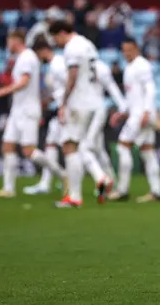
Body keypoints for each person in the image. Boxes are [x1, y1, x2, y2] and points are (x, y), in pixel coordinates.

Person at [0, 31, 67, 199]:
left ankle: (61, 173)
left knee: (28, 151)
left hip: (27, 110)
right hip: (18, 109)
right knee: (7, 145)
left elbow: (24, 82)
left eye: (8, 41)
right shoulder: (21, 58)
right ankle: (8, 188)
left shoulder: (27, 57)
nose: (7, 45)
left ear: (15, 41)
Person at [48, 21, 112, 208]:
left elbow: (73, 75)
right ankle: (100, 177)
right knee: (82, 146)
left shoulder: (72, 48)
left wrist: (65, 101)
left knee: (69, 146)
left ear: (61, 33)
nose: (56, 42)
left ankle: (74, 197)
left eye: (55, 38)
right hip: (93, 101)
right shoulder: (87, 44)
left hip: (79, 103)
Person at [107, 37, 160, 204]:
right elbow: (133, 96)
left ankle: (122, 190)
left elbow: (150, 89)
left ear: (136, 48)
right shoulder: (130, 67)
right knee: (148, 152)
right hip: (139, 113)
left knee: (123, 147)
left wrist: (146, 111)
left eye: (129, 50)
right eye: (124, 50)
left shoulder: (142, 65)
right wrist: (122, 112)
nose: (126, 53)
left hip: (140, 115)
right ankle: (156, 191)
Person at [23, 37, 68, 195]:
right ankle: (46, 182)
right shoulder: (54, 65)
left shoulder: (57, 65)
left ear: (42, 51)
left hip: (66, 109)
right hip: (61, 108)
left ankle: (98, 178)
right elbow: (60, 89)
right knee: (51, 143)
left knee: (78, 147)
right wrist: (49, 100)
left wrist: (63, 106)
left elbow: (69, 85)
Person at [79, 58, 127, 189]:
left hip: (86, 111)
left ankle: (101, 178)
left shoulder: (77, 64)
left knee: (84, 147)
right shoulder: (101, 66)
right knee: (99, 149)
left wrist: (123, 107)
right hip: (97, 109)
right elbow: (112, 87)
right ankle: (112, 181)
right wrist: (122, 106)